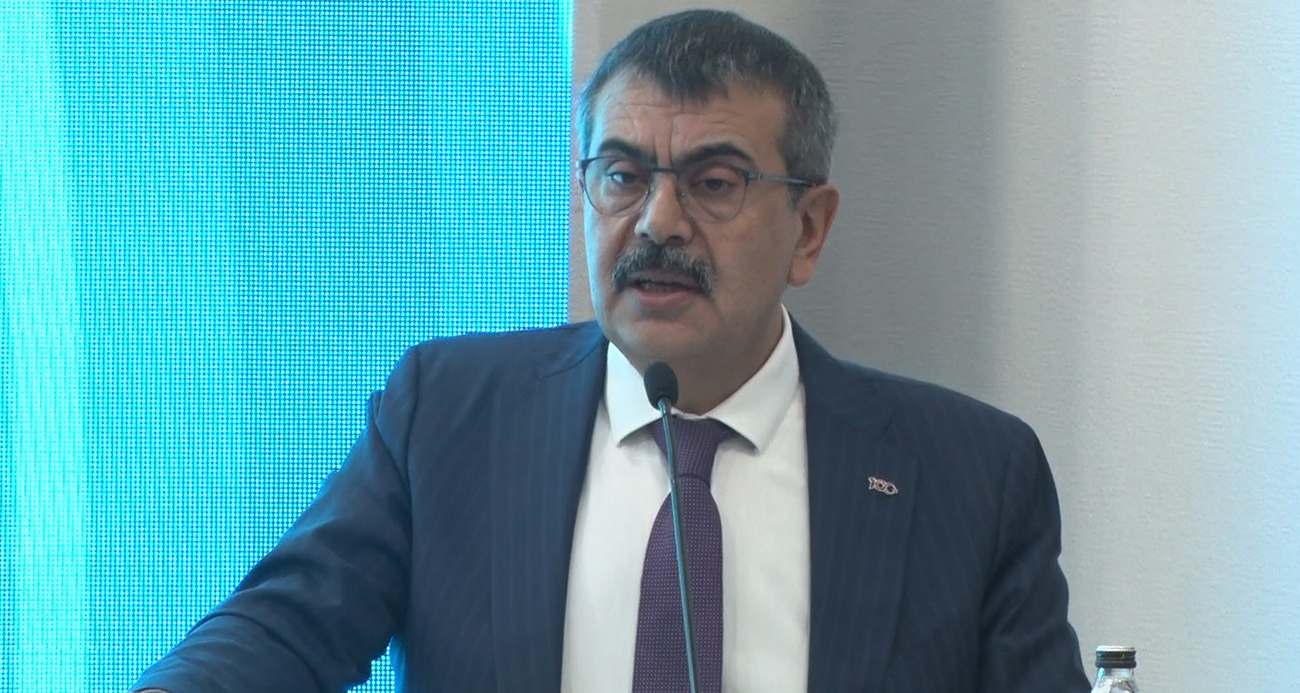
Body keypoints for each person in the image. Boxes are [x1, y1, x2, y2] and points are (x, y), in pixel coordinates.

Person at [134, 9, 1090, 693]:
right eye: (623, 175)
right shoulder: (451, 412)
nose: (657, 222)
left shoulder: (969, 471)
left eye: (715, 181)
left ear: (809, 230)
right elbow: (283, 629)